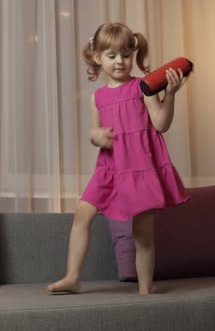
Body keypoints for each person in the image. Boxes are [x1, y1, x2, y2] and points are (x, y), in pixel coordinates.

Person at [47, 22, 189, 295]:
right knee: (81, 216)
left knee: (142, 234)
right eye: (111, 56)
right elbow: (96, 131)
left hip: (140, 167)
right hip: (109, 168)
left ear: (133, 54)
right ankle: (73, 277)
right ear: (98, 57)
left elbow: (160, 124)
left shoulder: (143, 87)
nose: (120, 61)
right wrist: (95, 137)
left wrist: (169, 96)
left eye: (125, 54)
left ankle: (145, 291)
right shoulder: (97, 97)